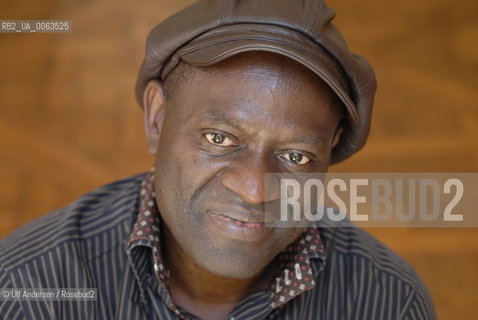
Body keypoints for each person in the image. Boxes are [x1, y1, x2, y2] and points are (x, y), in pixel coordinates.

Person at [0, 0, 436, 319]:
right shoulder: (28, 289)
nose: (253, 187)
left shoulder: (388, 302)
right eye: (219, 138)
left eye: (296, 156)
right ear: (157, 117)